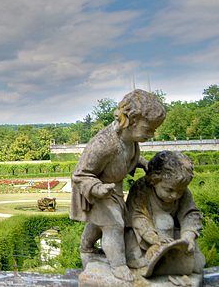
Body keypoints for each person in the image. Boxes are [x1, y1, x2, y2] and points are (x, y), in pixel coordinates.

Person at [70, 89, 166, 282]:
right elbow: (79, 174)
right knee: (114, 224)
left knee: (103, 222)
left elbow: (129, 158)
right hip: (98, 191)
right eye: (149, 129)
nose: (152, 134)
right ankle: (118, 265)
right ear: (132, 120)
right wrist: (97, 188)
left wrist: (144, 163)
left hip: (113, 190)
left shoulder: (130, 140)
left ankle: (86, 248)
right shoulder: (104, 145)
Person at [125, 151, 205, 279]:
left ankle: (169, 263)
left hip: (172, 238)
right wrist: (154, 238)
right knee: (164, 221)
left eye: (179, 191)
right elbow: (138, 217)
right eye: (169, 190)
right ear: (154, 180)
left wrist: (188, 236)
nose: (175, 195)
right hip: (143, 239)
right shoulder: (141, 188)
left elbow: (190, 214)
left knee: (197, 265)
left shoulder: (182, 191)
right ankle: (160, 261)